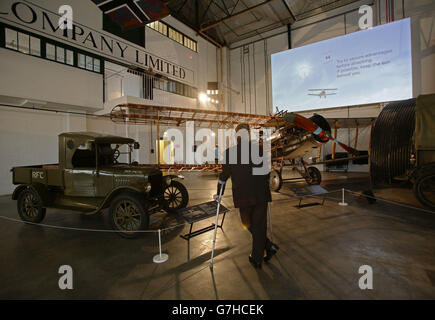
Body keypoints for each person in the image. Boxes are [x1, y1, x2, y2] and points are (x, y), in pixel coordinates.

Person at [213, 123, 279, 269]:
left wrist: (219, 193)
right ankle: (268, 246)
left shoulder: (230, 153)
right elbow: (267, 172)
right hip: (261, 194)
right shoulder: (260, 150)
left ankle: (257, 258)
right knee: (259, 226)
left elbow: (223, 176)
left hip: (244, 196)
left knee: (247, 224)